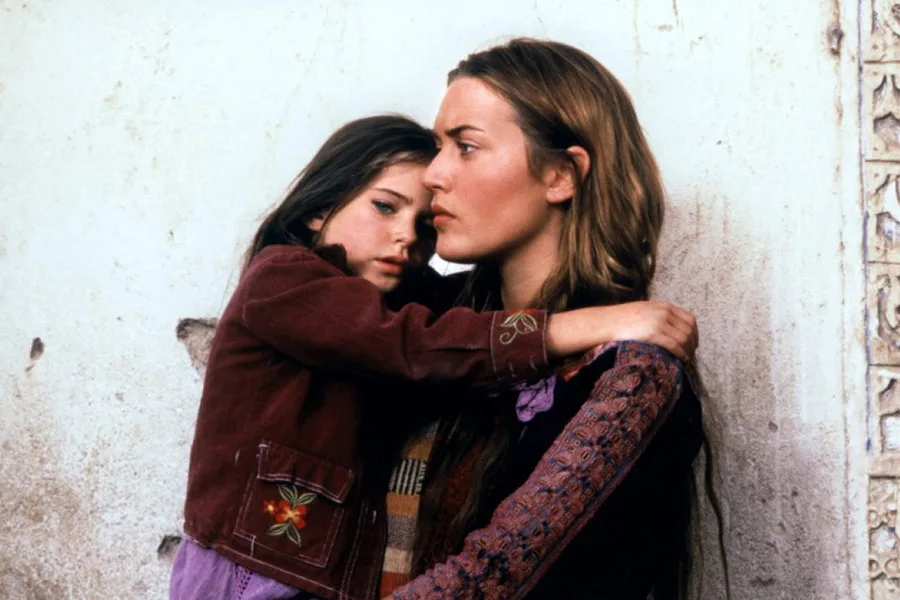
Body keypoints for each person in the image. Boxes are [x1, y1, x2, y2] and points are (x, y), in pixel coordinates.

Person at [169, 114, 698, 600]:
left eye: (427, 225)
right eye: (384, 206)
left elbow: (460, 326)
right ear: (317, 210)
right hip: (249, 571)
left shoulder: (396, 300)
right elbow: (415, 344)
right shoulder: (284, 279)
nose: (406, 237)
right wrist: (591, 323)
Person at [386, 38, 706, 599]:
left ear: (561, 174)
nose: (432, 175)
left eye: (466, 147)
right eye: (438, 147)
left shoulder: (633, 377)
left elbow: (489, 579)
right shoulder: (431, 330)